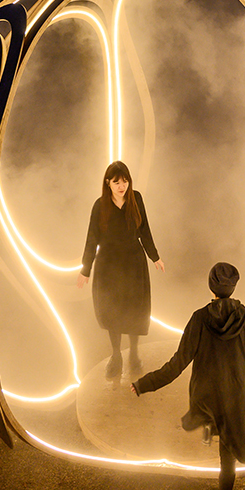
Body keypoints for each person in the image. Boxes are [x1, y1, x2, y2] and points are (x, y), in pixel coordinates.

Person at [130, 262, 245, 490]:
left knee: (214, 423)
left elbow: (177, 363)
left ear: (211, 287)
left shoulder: (199, 319)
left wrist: (144, 384)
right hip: (234, 397)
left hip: (205, 396)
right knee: (228, 460)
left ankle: (209, 428)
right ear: (234, 286)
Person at [77, 161, 164, 378]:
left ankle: (134, 354)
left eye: (125, 181)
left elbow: (144, 230)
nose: (121, 185)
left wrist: (155, 256)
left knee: (135, 310)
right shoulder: (100, 205)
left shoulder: (137, 199)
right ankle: (116, 355)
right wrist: (85, 269)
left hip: (134, 263)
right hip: (108, 265)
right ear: (108, 183)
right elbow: (91, 238)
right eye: (116, 182)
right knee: (112, 311)